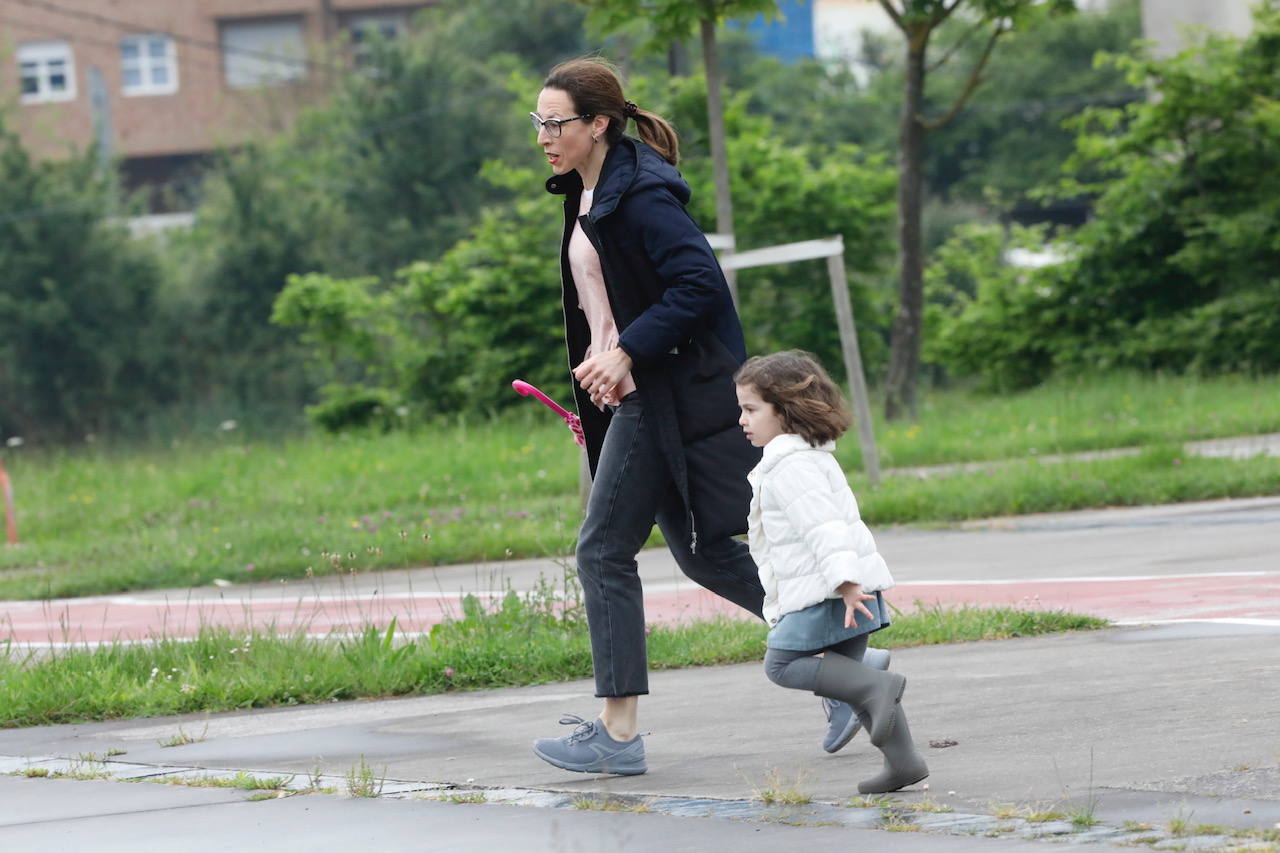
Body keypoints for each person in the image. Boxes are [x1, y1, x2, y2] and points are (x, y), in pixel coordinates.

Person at [528, 57, 767, 776]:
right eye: (536, 122)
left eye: (556, 122)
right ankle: (845, 656)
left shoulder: (642, 196)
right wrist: (605, 358)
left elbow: (698, 283)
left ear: (597, 123)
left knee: (602, 549)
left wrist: (625, 350)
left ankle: (618, 732)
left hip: (661, 394)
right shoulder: (591, 190)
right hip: (633, 394)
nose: (543, 135)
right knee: (704, 553)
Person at [734, 350, 929, 794]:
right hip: (848, 587)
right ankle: (904, 762)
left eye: (750, 410)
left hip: (830, 590)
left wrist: (843, 582)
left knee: (782, 665)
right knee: (849, 674)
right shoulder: (810, 456)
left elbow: (825, 528)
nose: (742, 420)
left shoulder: (789, 466)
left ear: (785, 411)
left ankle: (878, 688)